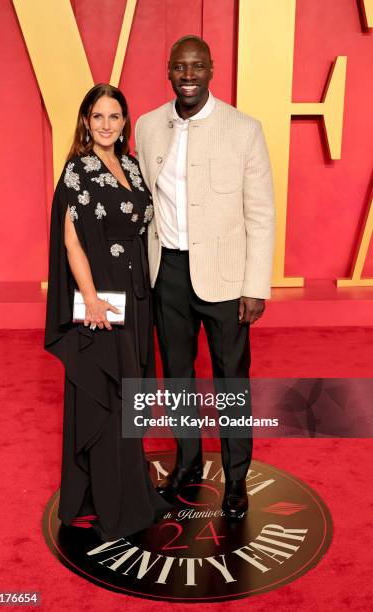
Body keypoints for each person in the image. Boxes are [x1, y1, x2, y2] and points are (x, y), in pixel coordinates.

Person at [135, 36, 275, 519]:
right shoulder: (148, 126)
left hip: (226, 278)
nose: (188, 74)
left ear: (211, 70)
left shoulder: (244, 129)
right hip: (166, 272)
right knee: (176, 377)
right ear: (168, 72)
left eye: (197, 66)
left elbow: (261, 213)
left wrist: (255, 285)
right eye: (179, 66)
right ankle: (188, 464)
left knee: (231, 379)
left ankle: (236, 480)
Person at [44, 83, 171, 541]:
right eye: (97, 116)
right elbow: (71, 241)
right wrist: (91, 297)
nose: (105, 125)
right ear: (85, 121)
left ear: (124, 123)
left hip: (136, 298)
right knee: (107, 392)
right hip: (102, 299)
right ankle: (112, 501)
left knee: (130, 394)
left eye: (113, 117)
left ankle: (131, 487)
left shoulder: (133, 169)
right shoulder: (78, 171)